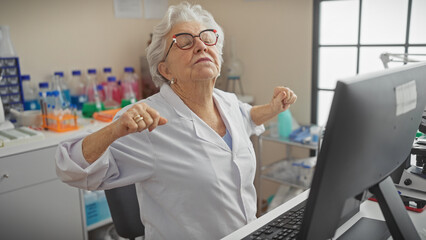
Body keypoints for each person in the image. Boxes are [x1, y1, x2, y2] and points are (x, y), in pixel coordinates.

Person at [55, 2, 297, 240]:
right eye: (184, 41)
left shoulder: (227, 102)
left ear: (219, 59)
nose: (201, 46)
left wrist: (271, 108)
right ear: (165, 70)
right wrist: (115, 130)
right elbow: (69, 168)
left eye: (207, 38)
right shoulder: (146, 121)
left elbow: (246, 117)